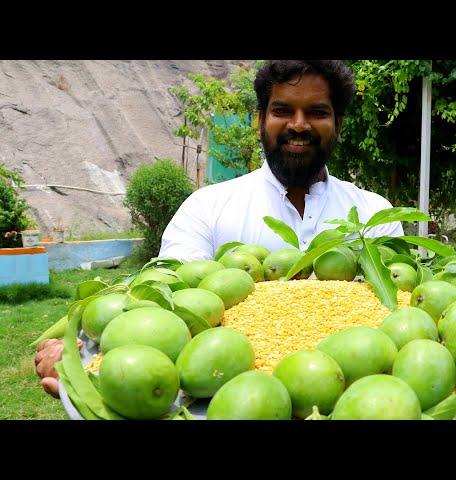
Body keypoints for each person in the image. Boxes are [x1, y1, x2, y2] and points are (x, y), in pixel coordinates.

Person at [35, 60, 404, 398]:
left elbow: (400, 317)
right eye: (282, 110)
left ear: (338, 124)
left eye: (317, 112)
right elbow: (165, 311)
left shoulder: (372, 214)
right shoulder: (207, 208)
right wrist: (86, 364)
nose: (298, 124)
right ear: (260, 121)